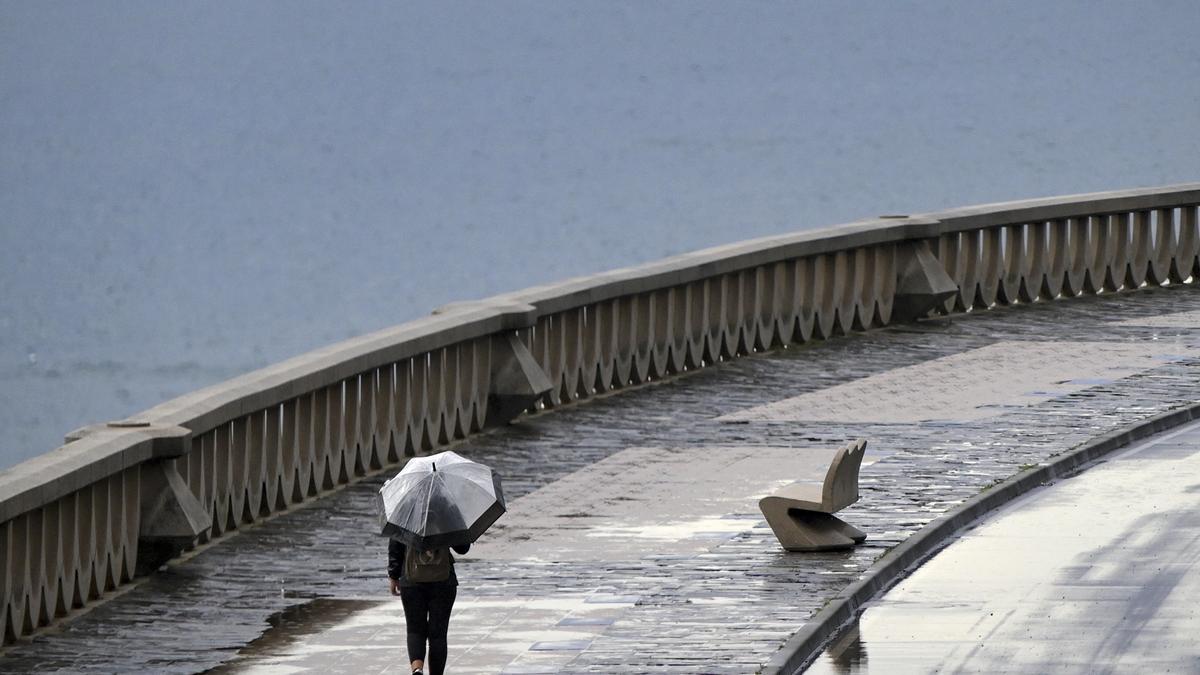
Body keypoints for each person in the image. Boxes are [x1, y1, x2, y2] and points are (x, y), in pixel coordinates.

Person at [388, 539, 470, 675]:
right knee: (438, 635)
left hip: (411, 579)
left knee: (415, 630)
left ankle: (417, 669)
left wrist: (394, 575)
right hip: (443, 581)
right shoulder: (447, 517)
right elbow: (462, 548)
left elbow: (396, 544)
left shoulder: (406, 518)